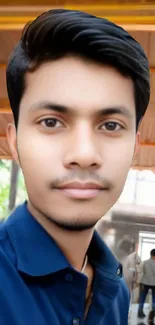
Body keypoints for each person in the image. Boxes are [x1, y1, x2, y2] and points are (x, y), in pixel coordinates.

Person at [0, 9, 150, 325]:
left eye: (110, 125)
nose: (84, 154)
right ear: (14, 142)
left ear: (135, 147)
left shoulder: (117, 293)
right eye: (51, 122)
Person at [138, 249, 155, 320]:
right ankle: (152, 314)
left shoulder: (144, 262)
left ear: (150, 254)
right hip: (154, 283)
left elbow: (140, 271)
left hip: (144, 282)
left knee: (142, 297)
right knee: (154, 299)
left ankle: (140, 313)